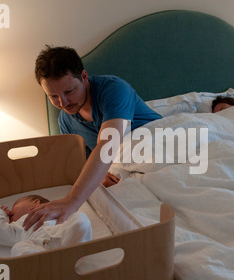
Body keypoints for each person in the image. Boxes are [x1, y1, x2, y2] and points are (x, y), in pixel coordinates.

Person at [24, 45, 162, 231]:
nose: (63, 103)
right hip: (126, 171)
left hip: (160, 148)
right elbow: (84, 163)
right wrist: (101, 176)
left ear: (84, 77)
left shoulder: (113, 90)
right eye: (53, 96)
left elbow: (107, 146)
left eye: (69, 91)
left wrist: (72, 201)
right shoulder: (66, 120)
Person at [0, 195, 92, 256]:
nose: (10, 212)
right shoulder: (16, 225)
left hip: (62, 238)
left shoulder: (54, 212)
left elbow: (68, 218)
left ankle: (74, 250)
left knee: (80, 219)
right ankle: (47, 262)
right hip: (38, 247)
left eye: (14, 206)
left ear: (35, 204)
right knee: (18, 248)